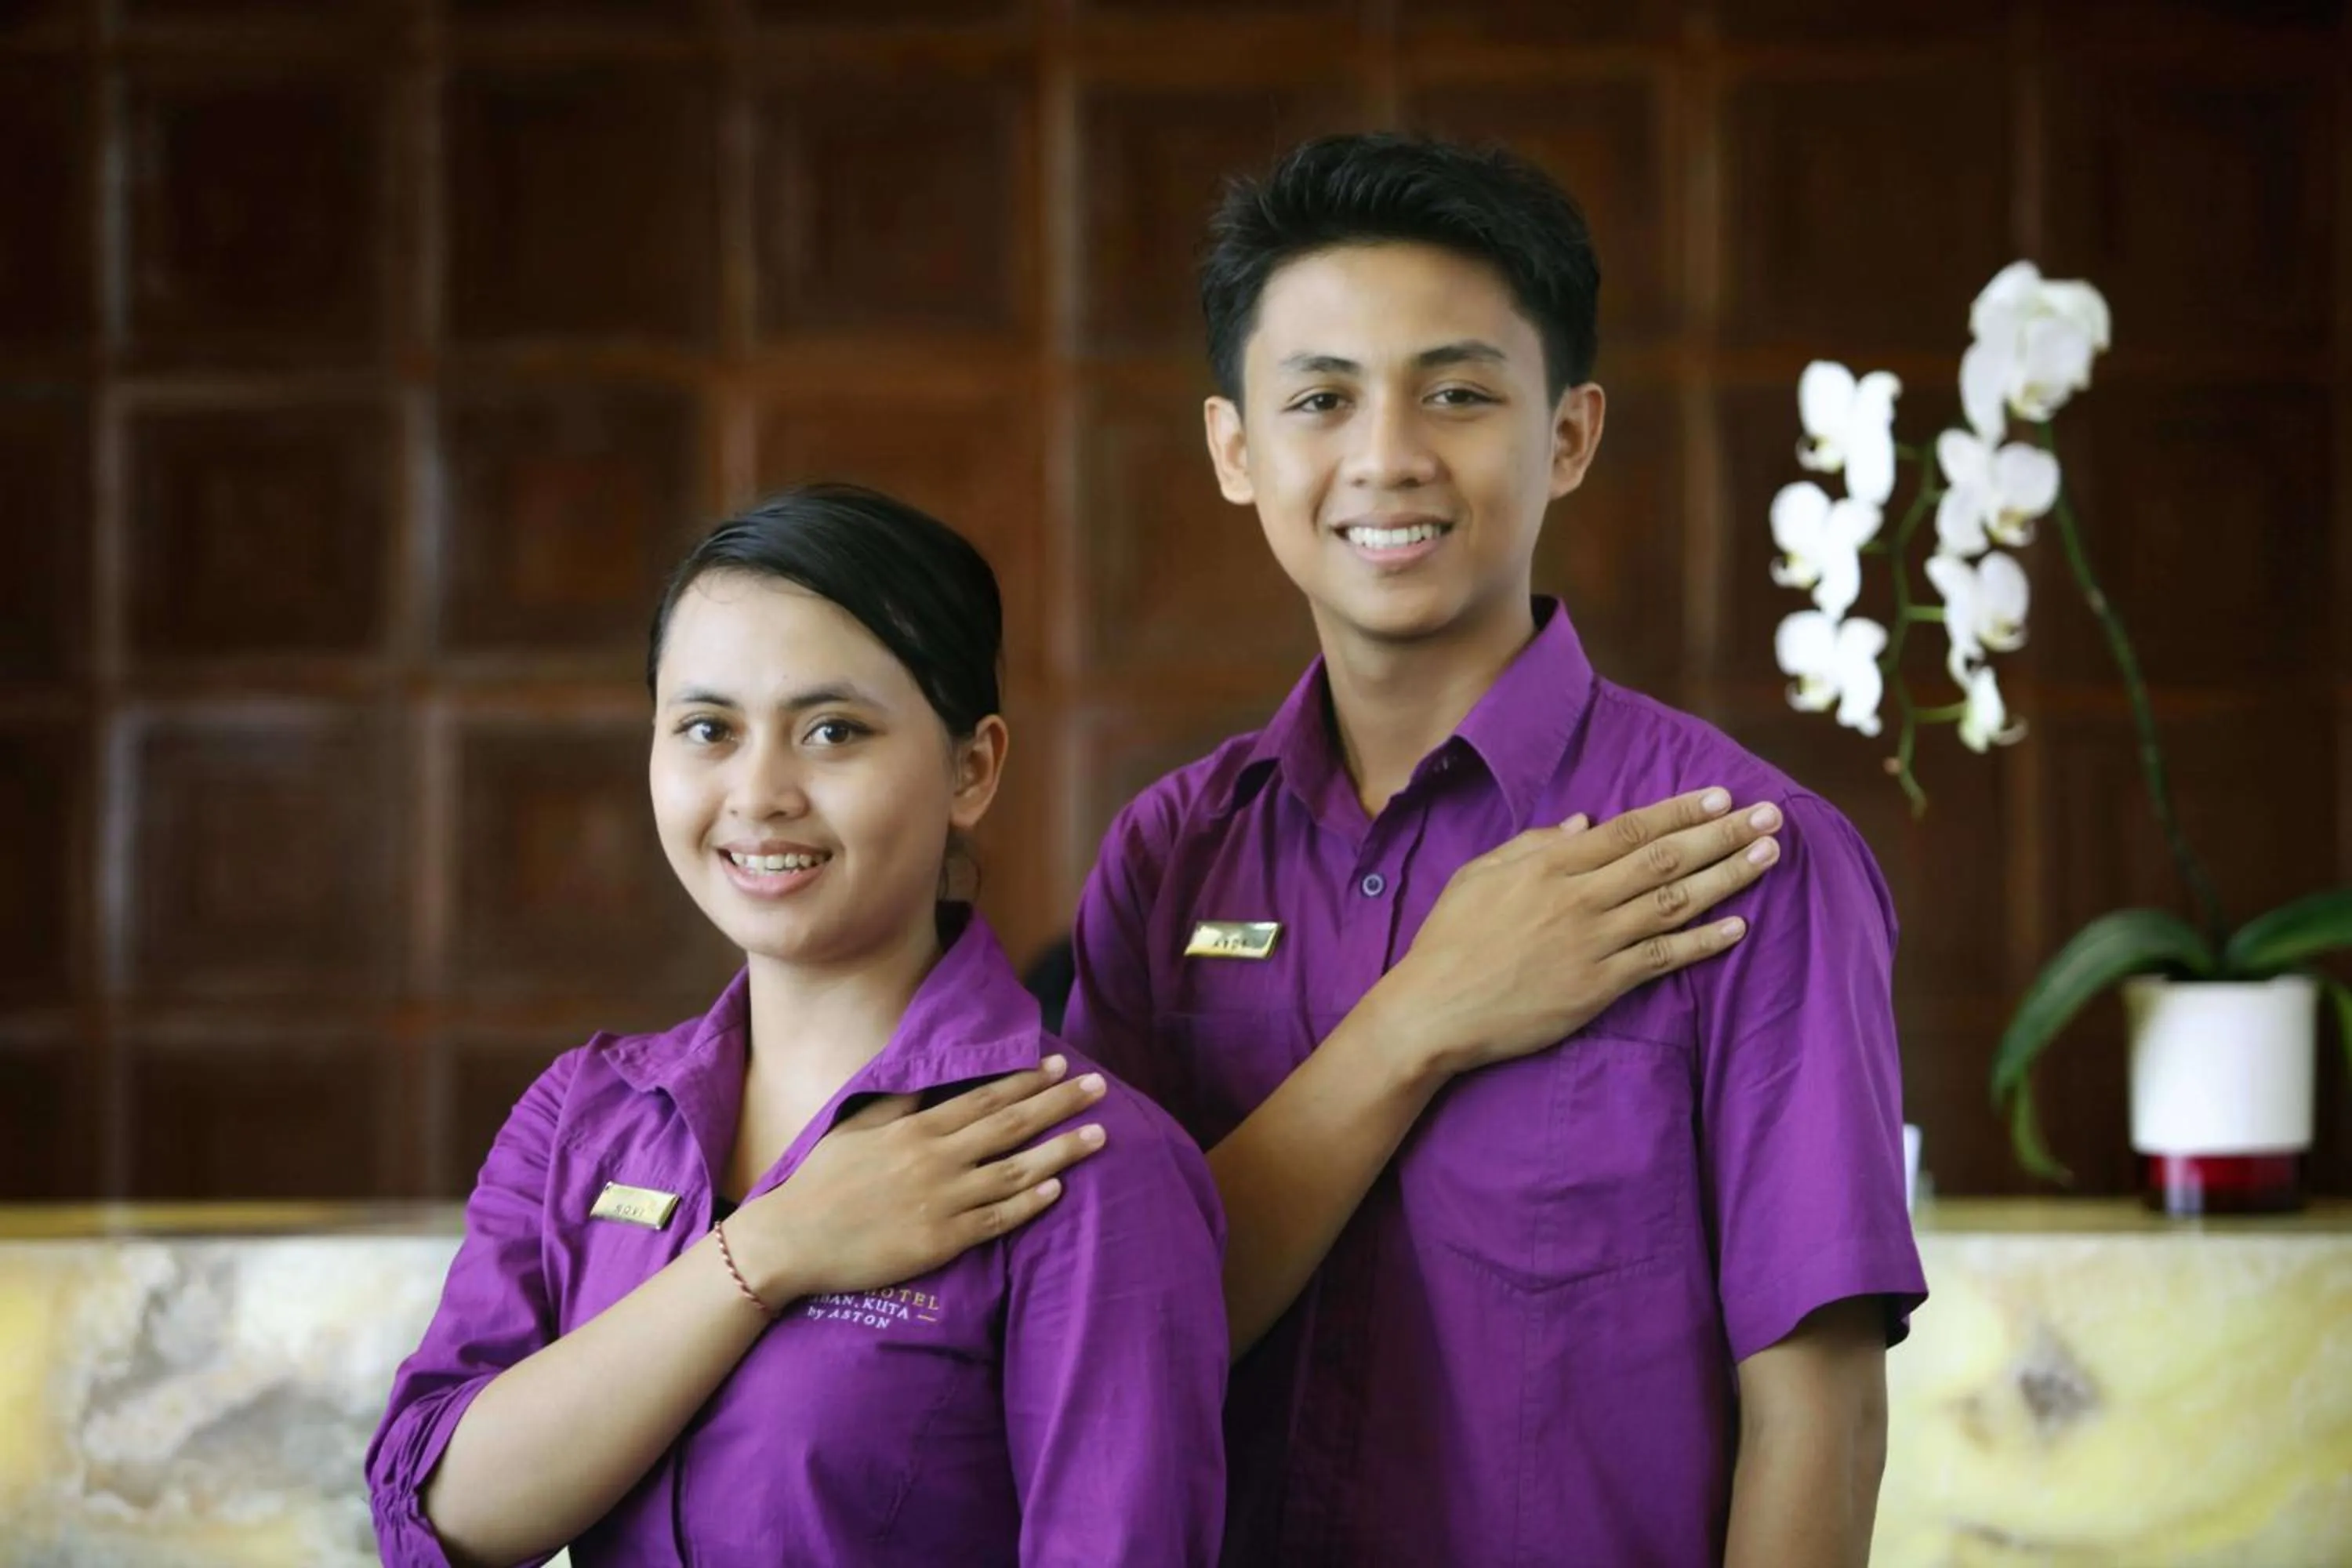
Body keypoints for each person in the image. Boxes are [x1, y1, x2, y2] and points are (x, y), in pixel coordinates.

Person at [1063, 133, 1927, 1566]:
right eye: (1322, 399)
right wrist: (1426, 1017)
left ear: (1571, 434)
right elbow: (1106, 1343)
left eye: (1459, 393)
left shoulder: (1747, 861)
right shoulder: (1172, 858)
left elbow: (1820, 1423)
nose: (1388, 456)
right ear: (1236, 450)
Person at [368, 485, 1227, 1566]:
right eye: (707, 730)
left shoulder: (1083, 1164)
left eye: (831, 731)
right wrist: (768, 1250)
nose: (759, 792)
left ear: (974, 768)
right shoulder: (585, 1117)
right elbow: (434, 1516)